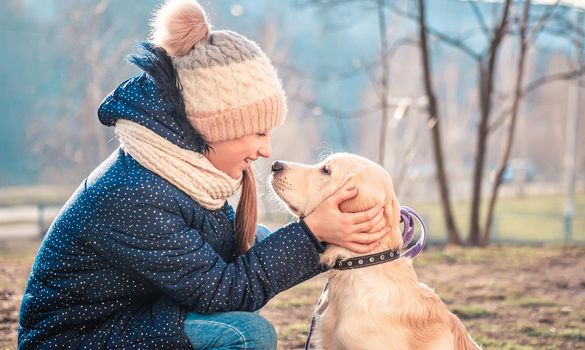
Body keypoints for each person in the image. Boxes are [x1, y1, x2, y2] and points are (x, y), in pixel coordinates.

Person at [17, 1, 389, 349]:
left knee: (255, 242)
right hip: (76, 337)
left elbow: (230, 254)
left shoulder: (179, 169)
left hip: (128, 318)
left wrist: (333, 236)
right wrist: (313, 235)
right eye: (259, 132)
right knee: (245, 334)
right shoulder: (137, 194)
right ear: (216, 127)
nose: (266, 150)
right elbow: (221, 291)